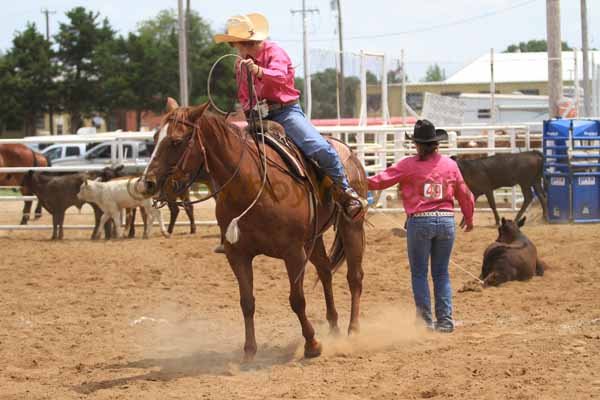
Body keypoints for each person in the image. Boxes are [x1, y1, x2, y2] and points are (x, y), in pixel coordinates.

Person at [214, 13, 367, 220]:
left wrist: (259, 71)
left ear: (244, 41)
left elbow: (282, 78)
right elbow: (243, 94)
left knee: (320, 148)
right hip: (258, 117)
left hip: (286, 112)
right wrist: (249, 112)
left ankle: (346, 192)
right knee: (233, 154)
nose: (234, 47)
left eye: (235, 42)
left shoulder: (274, 52)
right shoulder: (241, 63)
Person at [367, 120, 475, 333]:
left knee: (419, 273)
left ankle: (425, 322)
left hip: (420, 220)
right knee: (441, 273)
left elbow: (380, 181)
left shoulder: (408, 165)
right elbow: (465, 194)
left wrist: (357, 179)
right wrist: (469, 218)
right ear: (436, 144)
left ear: (417, 144)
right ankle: (445, 322)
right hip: (445, 221)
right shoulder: (450, 165)